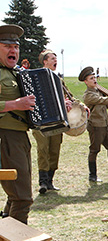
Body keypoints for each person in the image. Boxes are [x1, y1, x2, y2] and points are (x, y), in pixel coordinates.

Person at [0, 24, 36, 224]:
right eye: (6, 46)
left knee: (15, 195)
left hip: (20, 137)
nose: (13, 50)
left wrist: (60, 104)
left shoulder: (18, 73)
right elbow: (18, 102)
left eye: (15, 46)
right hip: (5, 137)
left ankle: (5, 240)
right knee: (22, 198)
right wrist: (14, 104)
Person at [33, 49, 76, 194]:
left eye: (55, 58)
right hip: (41, 121)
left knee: (54, 150)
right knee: (43, 149)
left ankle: (50, 180)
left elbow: (69, 97)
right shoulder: (36, 77)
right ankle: (43, 182)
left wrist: (71, 103)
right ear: (45, 61)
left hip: (57, 121)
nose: (55, 61)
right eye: (52, 58)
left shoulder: (59, 80)